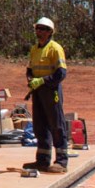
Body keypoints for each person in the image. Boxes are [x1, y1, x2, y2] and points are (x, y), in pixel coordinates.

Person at [27, 16, 69, 174]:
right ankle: (42, 160)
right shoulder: (34, 49)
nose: (40, 31)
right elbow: (30, 69)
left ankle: (61, 161)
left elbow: (61, 73)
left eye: (43, 29)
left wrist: (43, 81)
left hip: (51, 90)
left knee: (56, 124)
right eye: (38, 28)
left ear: (50, 32)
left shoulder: (55, 48)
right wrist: (31, 80)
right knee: (40, 125)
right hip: (38, 90)